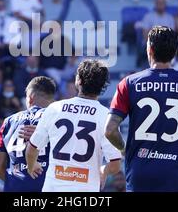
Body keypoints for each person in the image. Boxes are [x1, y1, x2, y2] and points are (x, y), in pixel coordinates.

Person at [105, 26, 178, 192]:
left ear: (149, 49)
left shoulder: (129, 83)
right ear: (175, 51)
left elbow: (110, 130)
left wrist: (124, 148)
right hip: (176, 177)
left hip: (140, 175)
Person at [26, 59, 122, 192]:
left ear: (78, 81)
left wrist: (31, 165)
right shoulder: (105, 116)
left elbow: (32, 149)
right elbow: (116, 164)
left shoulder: (55, 108)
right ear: (103, 86)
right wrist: (104, 170)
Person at [0, 76, 56, 191]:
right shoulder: (58, 118)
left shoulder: (8, 121)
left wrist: (17, 182)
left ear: (30, 98)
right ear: (52, 100)